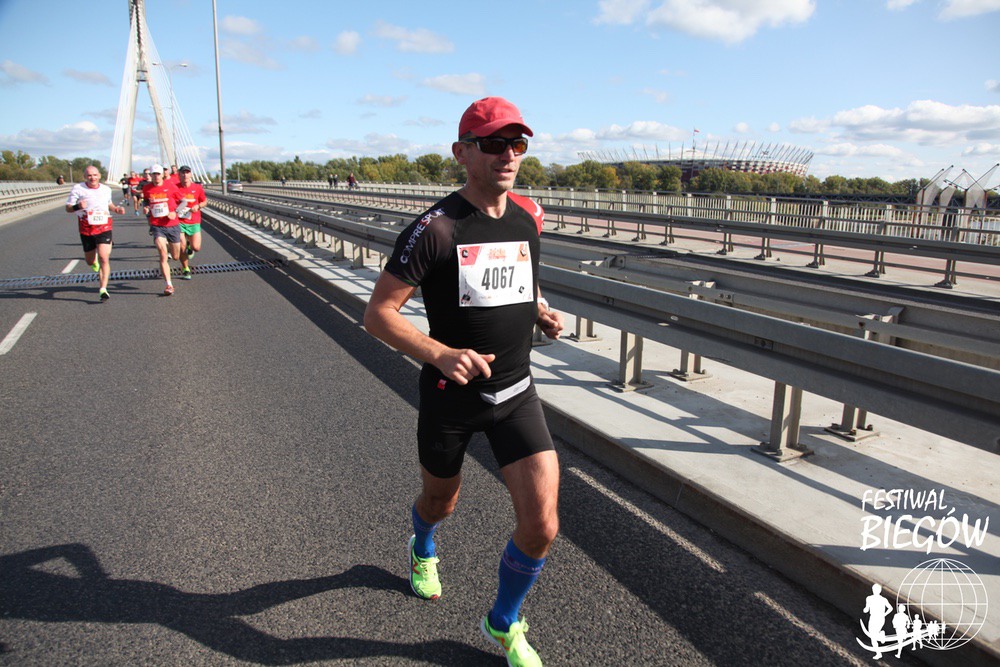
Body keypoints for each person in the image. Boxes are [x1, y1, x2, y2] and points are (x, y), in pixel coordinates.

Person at [363, 97, 562, 667]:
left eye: (517, 144)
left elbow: (522, 276)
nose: (508, 155)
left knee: (542, 525)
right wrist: (440, 353)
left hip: (516, 392)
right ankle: (422, 544)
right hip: (451, 398)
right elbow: (377, 314)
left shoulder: (530, 214)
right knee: (440, 502)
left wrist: (539, 310)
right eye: (494, 144)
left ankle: (504, 622)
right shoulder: (436, 228)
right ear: (462, 152)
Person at [65, 165, 126, 301]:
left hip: (104, 227)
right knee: (89, 261)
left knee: (104, 257)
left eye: (95, 175)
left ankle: (103, 289)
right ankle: (94, 263)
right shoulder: (78, 189)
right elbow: (68, 208)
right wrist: (78, 206)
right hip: (86, 228)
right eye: (89, 175)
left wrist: (116, 209)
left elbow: (109, 204)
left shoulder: (106, 189)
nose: (92, 178)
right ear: (85, 177)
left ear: (99, 176)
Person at [142, 164, 181, 296]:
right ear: (151, 175)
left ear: (162, 175)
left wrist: (175, 212)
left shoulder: (171, 186)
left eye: (158, 174)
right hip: (157, 225)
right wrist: (146, 208)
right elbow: (146, 201)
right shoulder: (147, 188)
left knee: (176, 256)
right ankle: (169, 285)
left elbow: (184, 201)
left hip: (172, 225)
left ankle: (171, 248)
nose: (156, 176)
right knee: (163, 254)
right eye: (153, 174)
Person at [171, 165, 207, 280]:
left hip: (194, 220)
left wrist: (198, 206)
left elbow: (204, 201)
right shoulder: (175, 188)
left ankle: (190, 246)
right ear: (179, 175)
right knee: (182, 247)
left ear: (191, 174)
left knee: (196, 247)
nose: (185, 175)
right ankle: (185, 268)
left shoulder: (197, 187)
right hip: (179, 221)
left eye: (187, 172)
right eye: (183, 173)